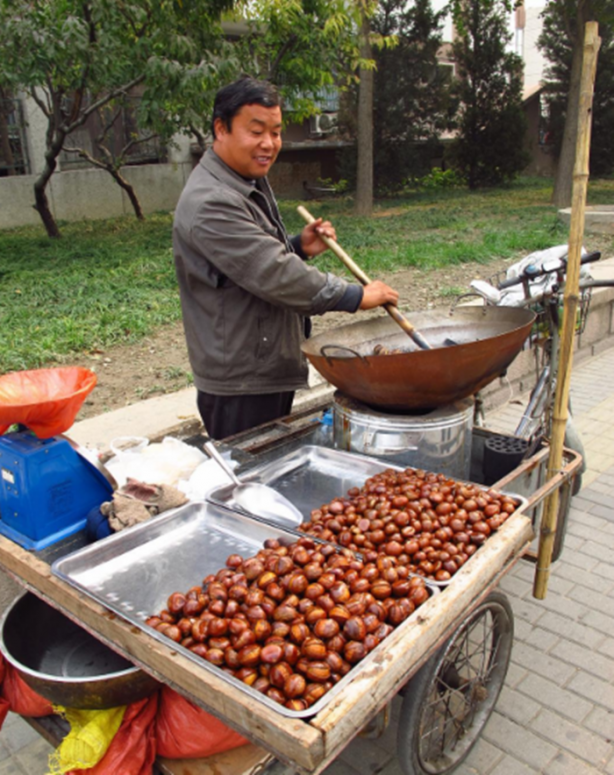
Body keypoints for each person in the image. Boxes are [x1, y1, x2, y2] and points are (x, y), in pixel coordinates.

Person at [173, 76, 399, 440]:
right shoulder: (212, 200)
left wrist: (298, 246)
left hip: (259, 361)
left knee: (265, 467)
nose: (269, 144)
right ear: (221, 128)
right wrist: (355, 297)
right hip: (241, 381)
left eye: (276, 132)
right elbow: (276, 274)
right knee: (248, 481)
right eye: (256, 131)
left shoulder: (242, 178)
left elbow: (246, 264)